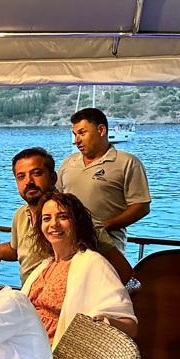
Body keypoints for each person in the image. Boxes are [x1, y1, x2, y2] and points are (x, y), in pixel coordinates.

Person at [0, 147, 133, 284]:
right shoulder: (20, 215)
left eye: (36, 173)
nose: (29, 181)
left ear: (53, 178)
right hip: (29, 299)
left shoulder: (74, 216)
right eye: (21, 177)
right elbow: (16, 250)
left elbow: (123, 271)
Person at [21, 191, 137, 348]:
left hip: (60, 356)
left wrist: (106, 322)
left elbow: (130, 326)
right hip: (26, 349)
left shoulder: (93, 263)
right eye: (47, 218)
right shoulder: (45, 266)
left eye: (63, 217)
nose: (54, 224)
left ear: (77, 222)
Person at [57, 107, 151, 252]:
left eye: (82, 133)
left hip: (107, 247)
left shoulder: (127, 162)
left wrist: (104, 226)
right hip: (69, 246)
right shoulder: (68, 162)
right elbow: (56, 199)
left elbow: (141, 206)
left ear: (101, 130)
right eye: (75, 134)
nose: (76, 140)